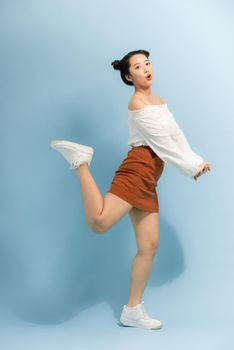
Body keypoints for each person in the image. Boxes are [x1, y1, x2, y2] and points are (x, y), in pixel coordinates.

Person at [50, 49, 212, 330]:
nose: (146, 68)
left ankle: (132, 311)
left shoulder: (158, 101)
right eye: (138, 66)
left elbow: (176, 136)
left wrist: (196, 161)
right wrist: (191, 168)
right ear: (129, 76)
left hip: (150, 178)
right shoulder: (137, 103)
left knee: (148, 247)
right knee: (99, 223)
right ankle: (81, 162)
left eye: (147, 63)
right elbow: (162, 143)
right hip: (137, 170)